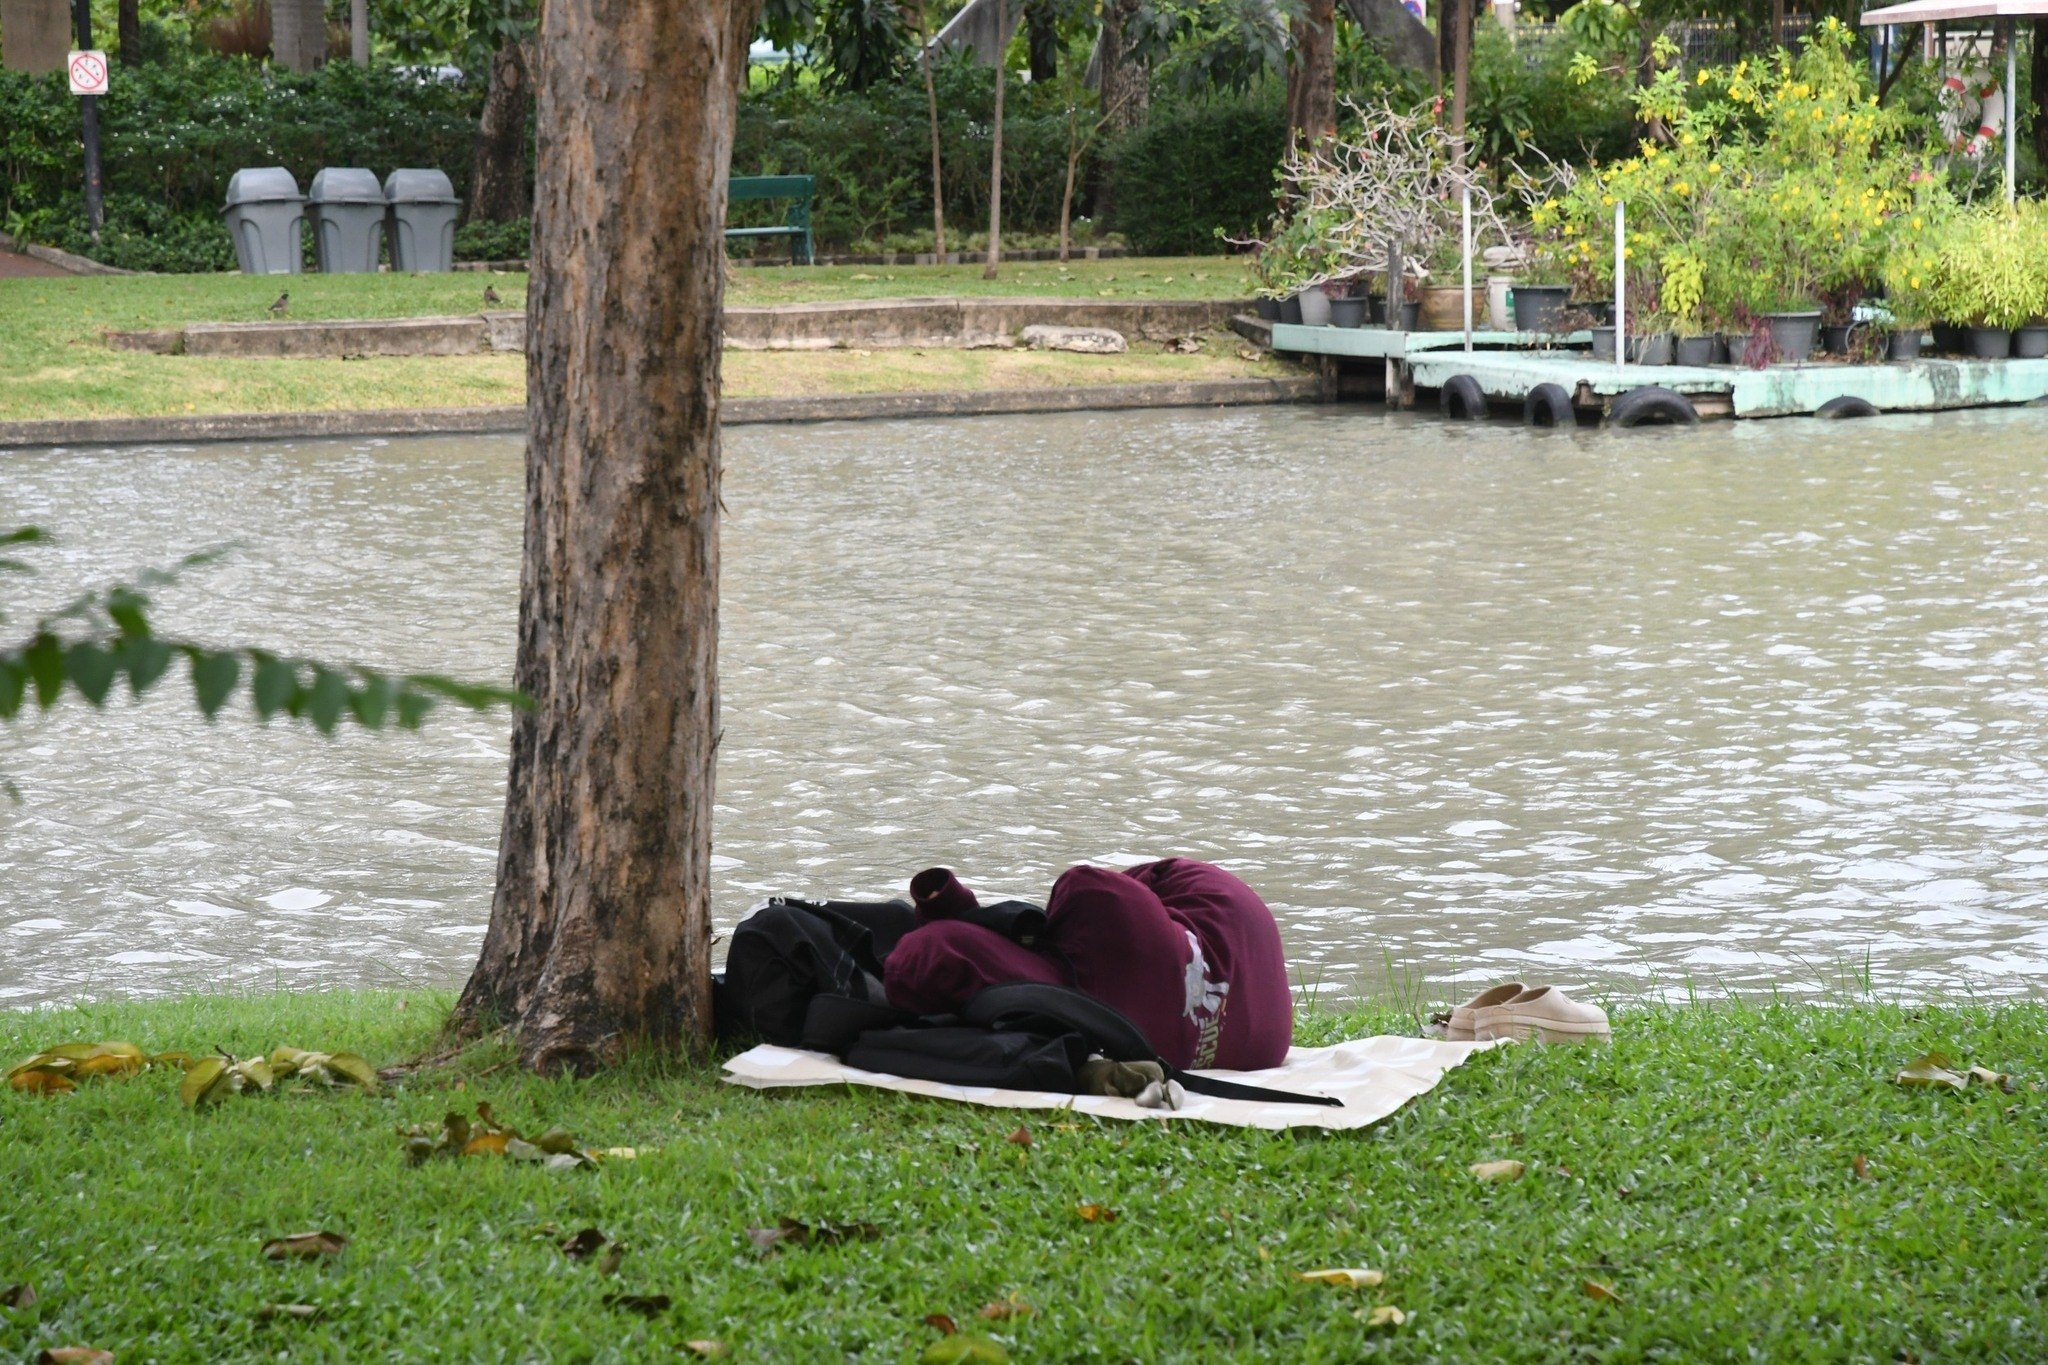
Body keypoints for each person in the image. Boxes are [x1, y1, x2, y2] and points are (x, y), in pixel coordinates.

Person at [882, 858, 1293, 1071]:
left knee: (1082, 913)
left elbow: (931, 956)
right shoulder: (1091, 949)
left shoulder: (1062, 987)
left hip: (1256, 1018)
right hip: (1266, 1030)